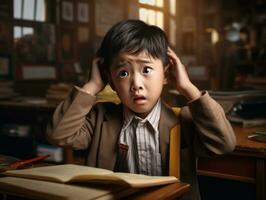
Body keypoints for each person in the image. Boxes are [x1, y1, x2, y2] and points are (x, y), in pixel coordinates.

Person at [47, 19, 236, 200]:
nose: (136, 84)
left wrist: (187, 87)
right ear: (110, 81)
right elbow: (58, 135)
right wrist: (93, 84)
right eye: (123, 73)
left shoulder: (184, 120)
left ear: (166, 74)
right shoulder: (99, 120)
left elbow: (223, 144)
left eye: (146, 70)